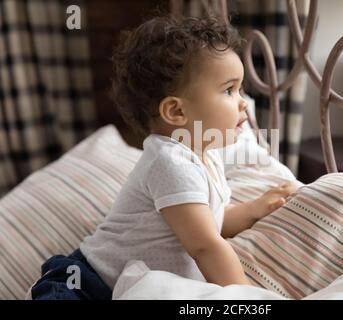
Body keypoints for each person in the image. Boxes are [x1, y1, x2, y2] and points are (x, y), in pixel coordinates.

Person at [30, 15, 299, 300]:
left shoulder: (207, 156)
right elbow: (206, 246)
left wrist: (256, 208)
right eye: (229, 90)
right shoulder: (171, 162)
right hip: (84, 284)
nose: (244, 101)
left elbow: (210, 223)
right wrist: (250, 299)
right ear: (176, 112)